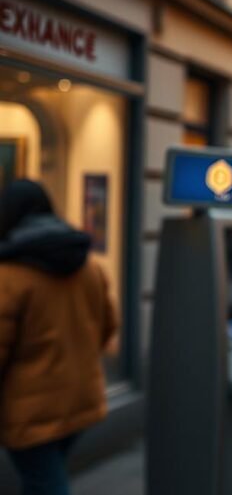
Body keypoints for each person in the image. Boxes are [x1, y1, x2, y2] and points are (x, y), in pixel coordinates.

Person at [0, 180, 119, 495]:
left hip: (29, 410)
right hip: (81, 398)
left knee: (46, 483)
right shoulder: (90, 266)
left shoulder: (10, 277)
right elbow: (108, 327)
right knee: (43, 478)